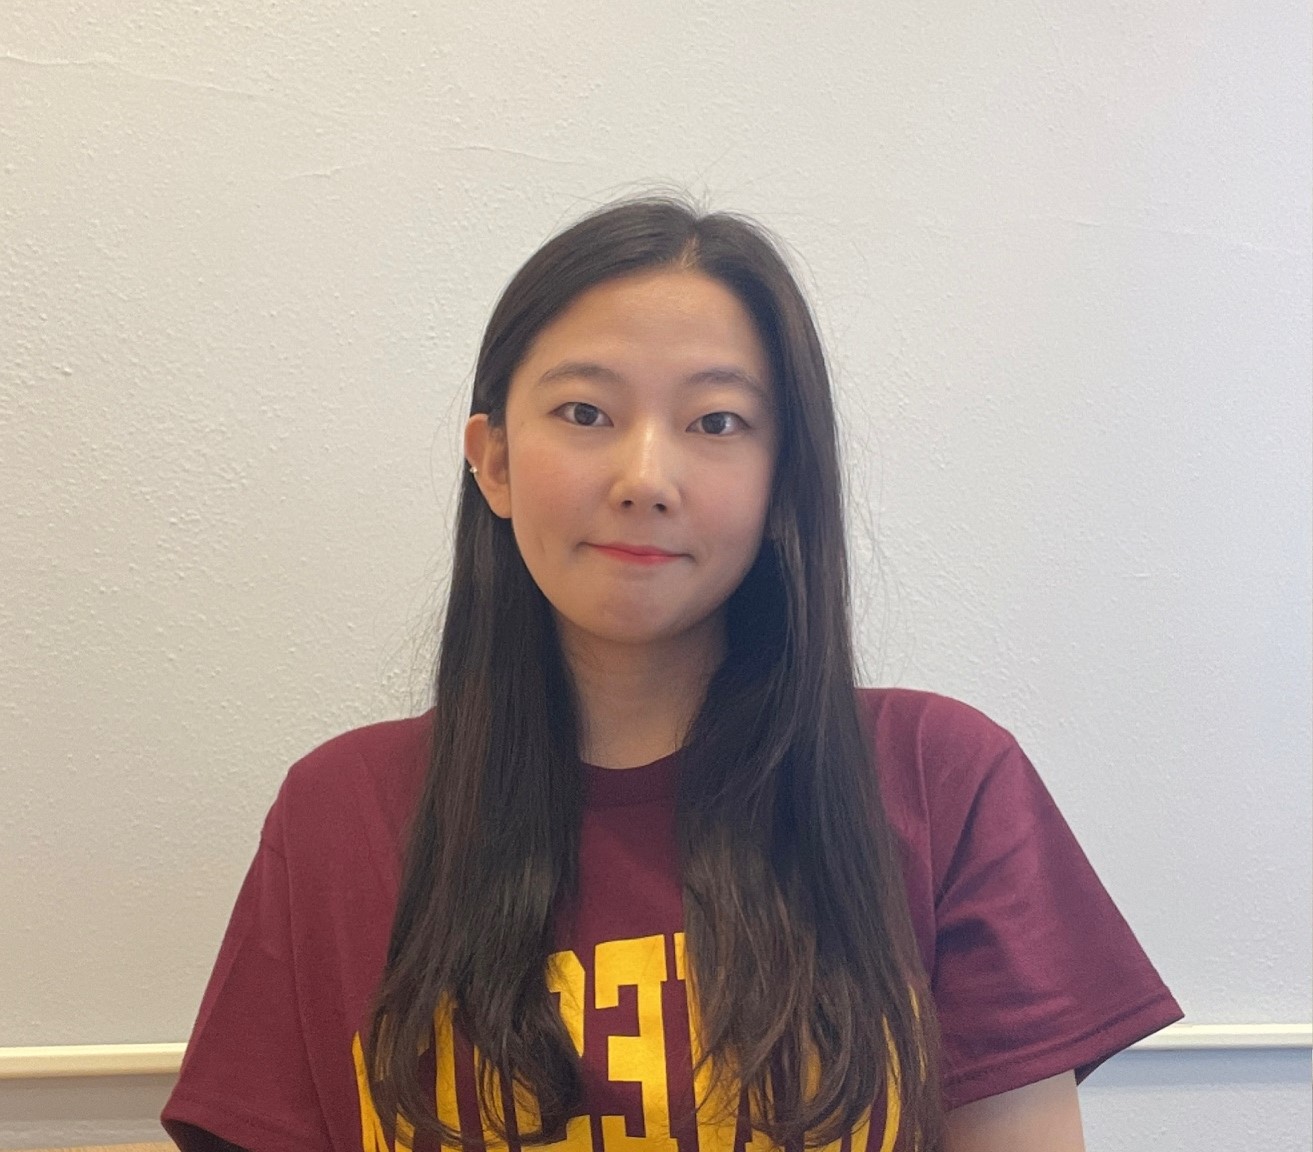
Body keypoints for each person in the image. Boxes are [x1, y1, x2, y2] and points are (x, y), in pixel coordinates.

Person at [161, 196, 1182, 1152]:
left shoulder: (941, 777)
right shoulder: (339, 812)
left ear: (782, 477)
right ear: (493, 462)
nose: (645, 478)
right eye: (583, 413)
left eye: (715, 423)